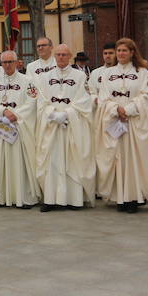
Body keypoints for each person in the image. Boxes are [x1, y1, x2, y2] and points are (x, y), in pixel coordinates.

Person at [95, 37, 148, 213]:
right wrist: (115, 109)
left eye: (125, 50)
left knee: (134, 160)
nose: (121, 53)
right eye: (119, 50)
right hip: (114, 121)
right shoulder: (107, 73)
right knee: (117, 160)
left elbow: (147, 96)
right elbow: (103, 97)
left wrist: (128, 109)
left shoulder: (142, 72)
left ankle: (134, 198)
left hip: (134, 123)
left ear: (132, 53)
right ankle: (119, 197)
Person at [35, 44, 95, 211]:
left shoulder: (80, 76)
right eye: (58, 54)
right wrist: (52, 114)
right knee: (51, 161)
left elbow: (83, 100)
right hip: (51, 125)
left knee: (72, 160)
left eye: (64, 55)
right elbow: (41, 100)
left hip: (71, 125)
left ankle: (74, 199)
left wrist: (67, 114)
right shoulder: (44, 77)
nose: (61, 57)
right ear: (54, 56)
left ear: (70, 56)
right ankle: (50, 199)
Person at [0, 50, 38, 209]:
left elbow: (32, 102)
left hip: (19, 128)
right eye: (4, 62)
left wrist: (16, 115)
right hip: (1, 128)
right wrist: (3, 112)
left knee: (20, 163)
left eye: (10, 62)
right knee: (0, 162)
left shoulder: (27, 81)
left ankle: (24, 198)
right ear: (0, 64)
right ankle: (0, 197)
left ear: (17, 63)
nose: (7, 65)